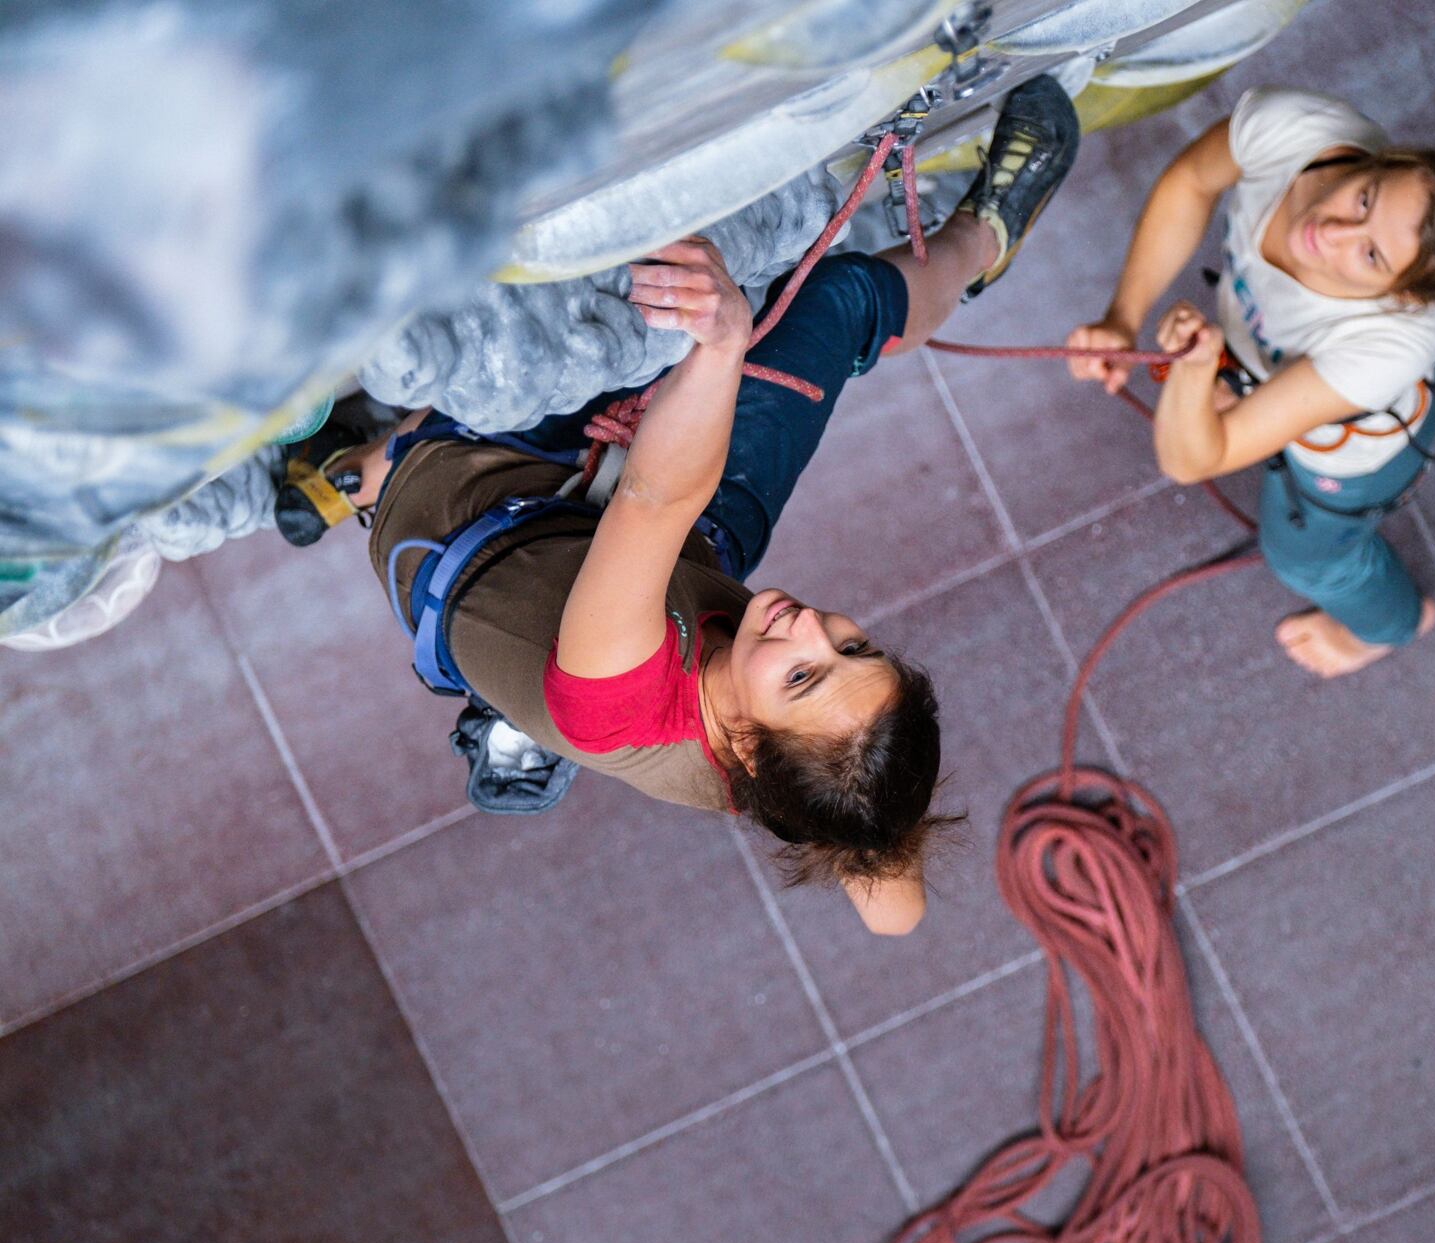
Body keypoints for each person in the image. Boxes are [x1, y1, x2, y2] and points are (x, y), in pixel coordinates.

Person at [309, 77, 1082, 935]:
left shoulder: (622, 701)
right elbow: (896, 914)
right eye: (854, 645)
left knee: (534, 359)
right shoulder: (795, 775)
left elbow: (654, 496)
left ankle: (364, 470)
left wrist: (720, 345)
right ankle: (984, 242)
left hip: (481, 495)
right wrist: (873, 831)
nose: (809, 625)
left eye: (805, 674)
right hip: (681, 554)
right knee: (839, 302)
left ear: (745, 746)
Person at [1067, 87, 1435, 678]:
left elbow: (1191, 460)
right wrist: (1123, 316)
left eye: (1370, 256)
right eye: (1365, 198)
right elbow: (1191, 181)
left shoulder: (1386, 349)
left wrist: (1196, 373)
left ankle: (1391, 625)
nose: (1332, 230)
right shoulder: (1298, 128)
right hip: (1282, 366)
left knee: (1306, 561)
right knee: (1235, 421)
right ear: (1385, 159)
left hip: (1356, 451)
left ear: (1402, 297)